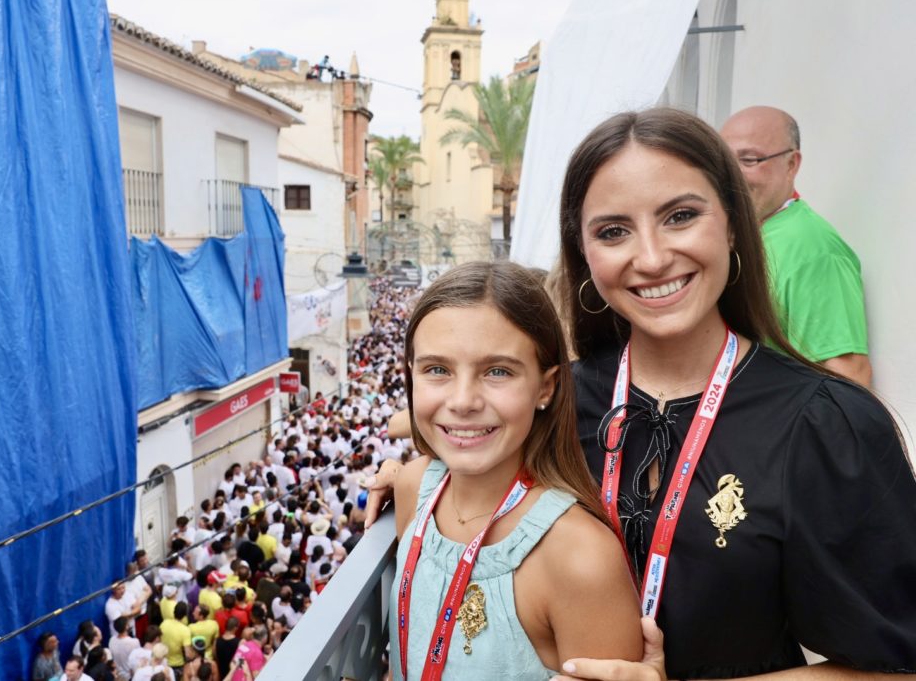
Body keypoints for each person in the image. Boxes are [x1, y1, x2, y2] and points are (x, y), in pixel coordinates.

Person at [366, 109, 916, 680]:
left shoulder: (825, 427)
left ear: (731, 225)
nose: (651, 258)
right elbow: (471, 434)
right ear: (584, 254)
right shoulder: (558, 402)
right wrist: (417, 470)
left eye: (680, 216)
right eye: (613, 231)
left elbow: (898, 665)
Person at [389, 261, 642, 679]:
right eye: (438, 370)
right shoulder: (413, 487)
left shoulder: (580, 558)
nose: (464, 400)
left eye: (497, 372)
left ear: (546, 387)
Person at [720, 106, 872, 386]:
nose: (733, 176)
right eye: (725, 162)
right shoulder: (741, 230)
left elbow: (848, 374)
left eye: (749, 159)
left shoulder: (813, 249)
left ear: (792, 164)